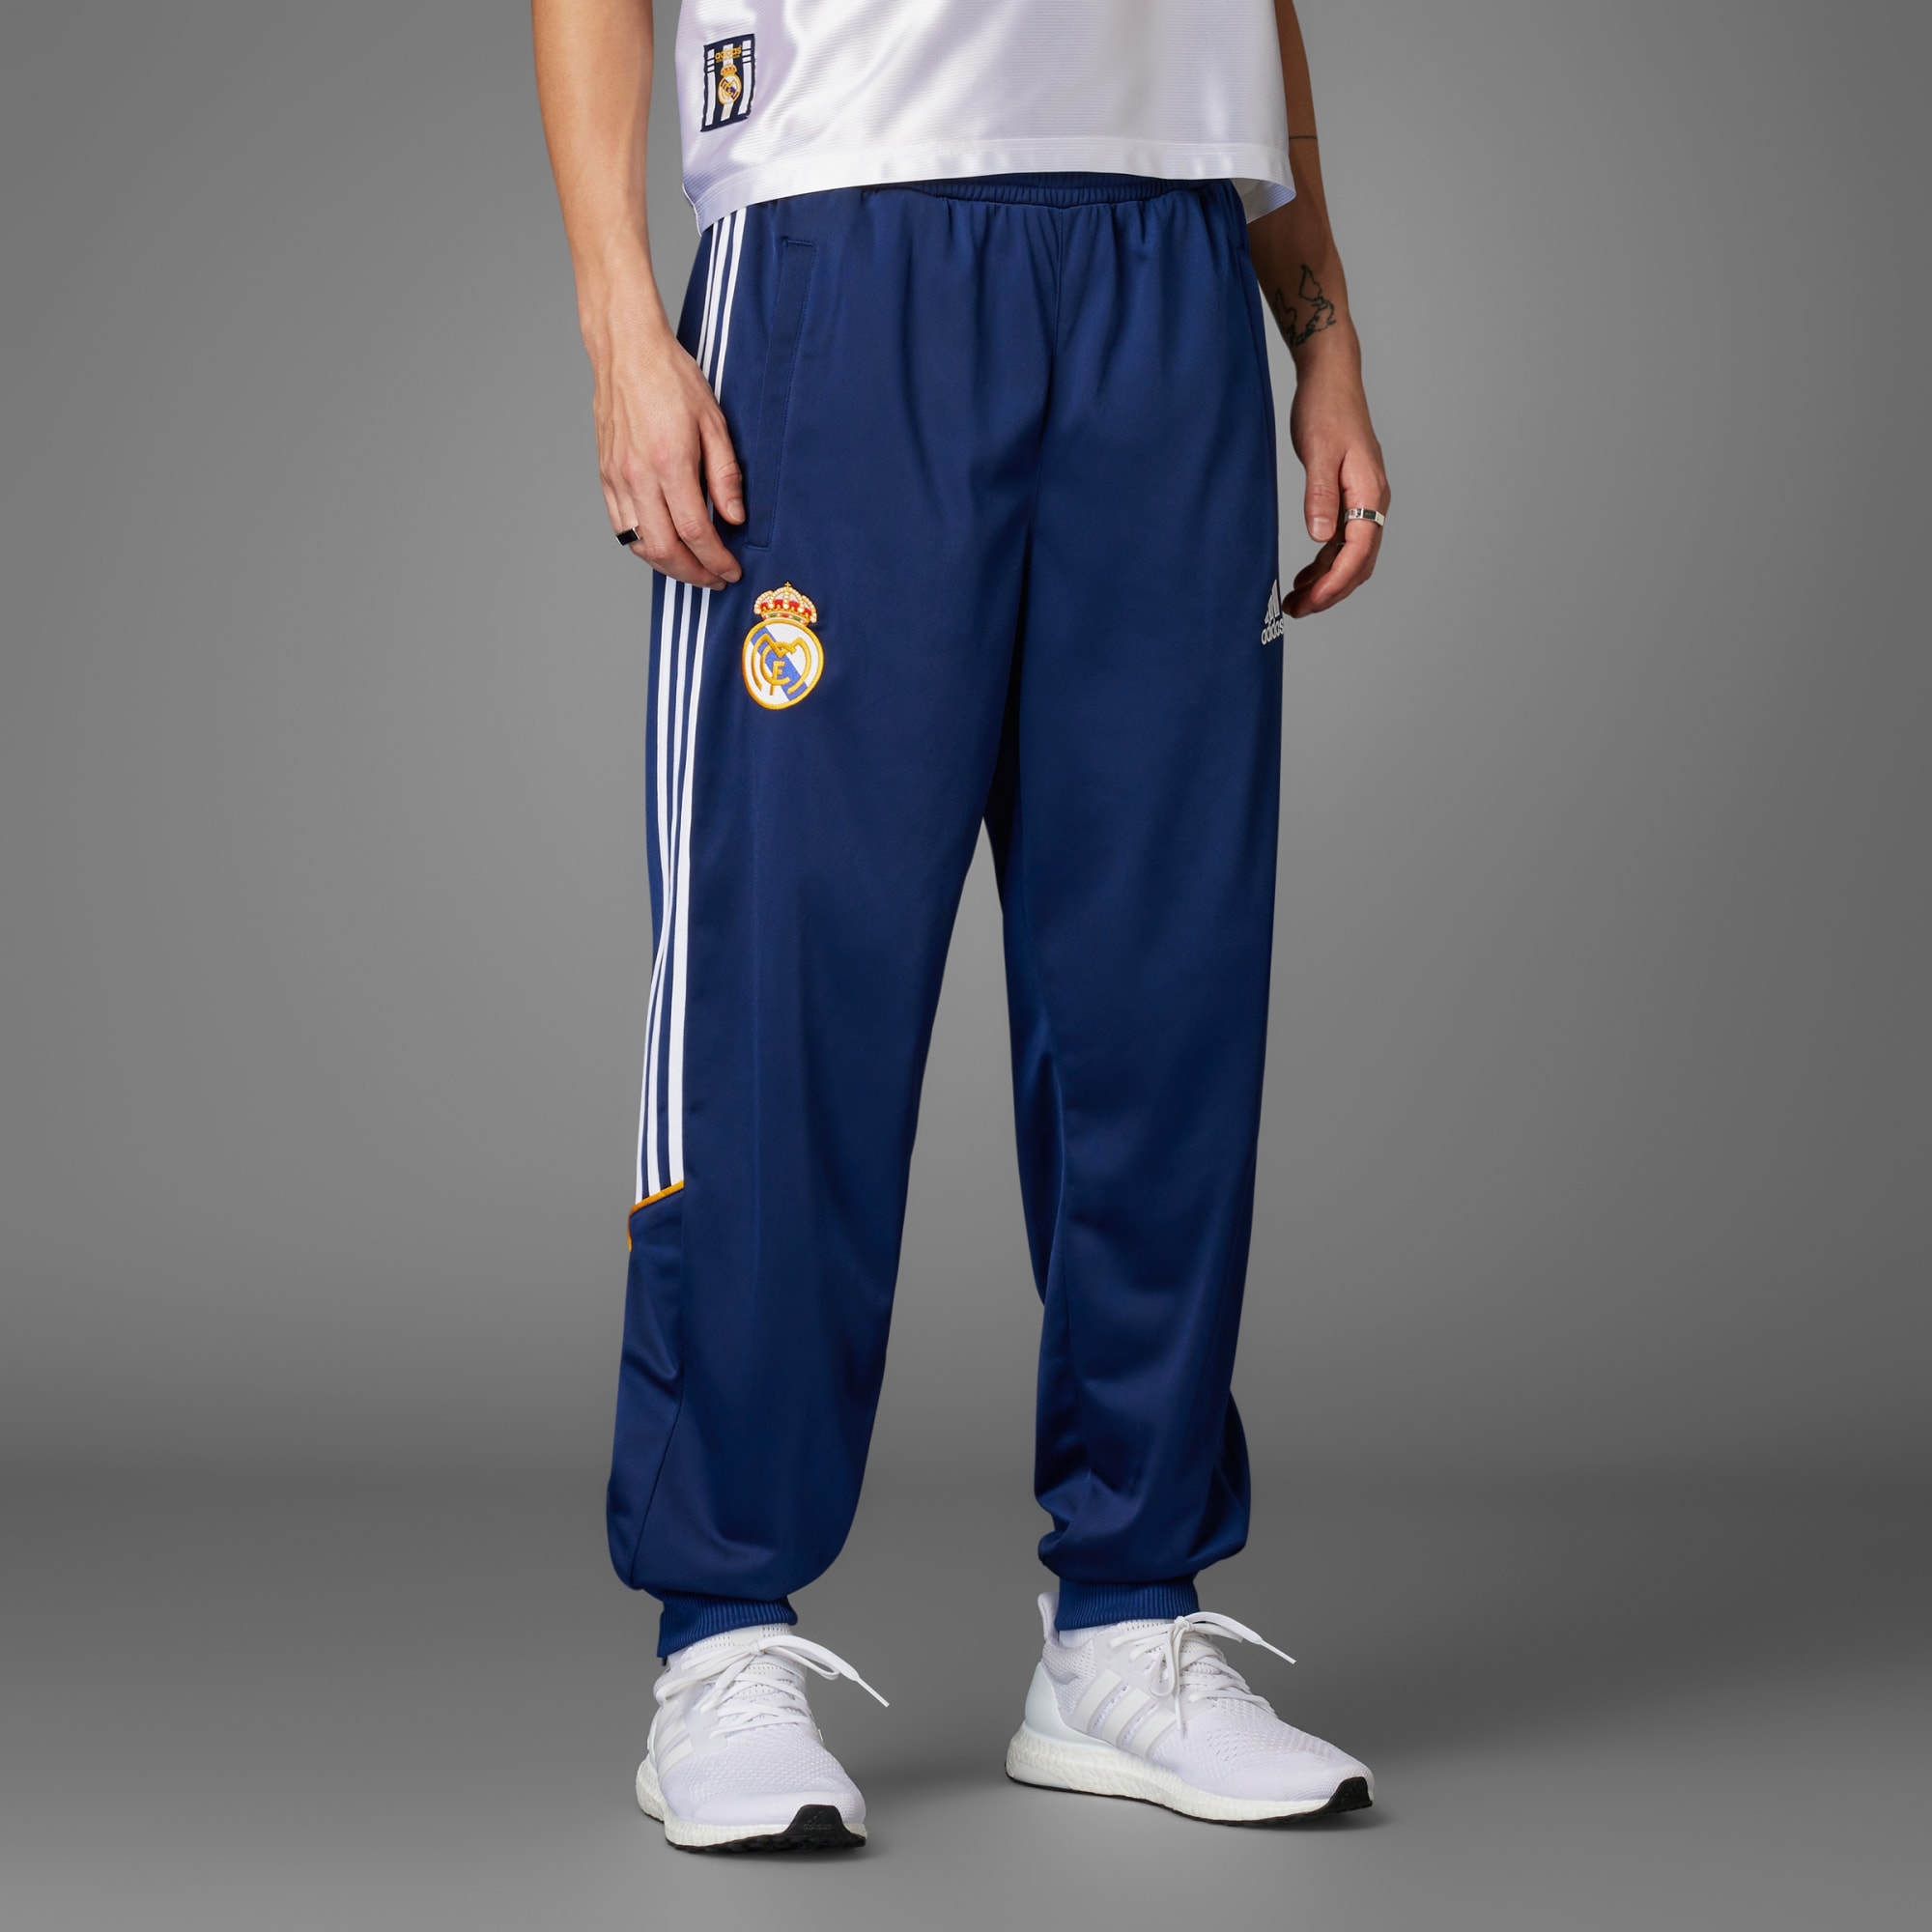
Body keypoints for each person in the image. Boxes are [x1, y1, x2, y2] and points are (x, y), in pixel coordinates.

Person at [533, 0, 1390, 1851]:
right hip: (849, 231)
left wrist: (1317, 329)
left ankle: (1128, 1622)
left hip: (1170, 264)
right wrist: (621, 323)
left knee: (1157, 990)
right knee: (790, 984)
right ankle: (721, 1634)